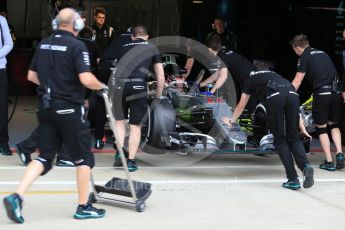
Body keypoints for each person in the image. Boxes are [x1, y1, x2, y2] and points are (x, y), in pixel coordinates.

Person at [3, 8, 107, 223]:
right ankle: (83, 206)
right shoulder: (78, 46)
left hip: (46, 108)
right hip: (69, 109)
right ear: (76, 25)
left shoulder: (44, 43)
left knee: (44, 157)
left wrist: (52, 86)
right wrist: (102, 87)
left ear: (55, 24)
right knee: (84, 158)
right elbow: (87, 79)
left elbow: (31, 76)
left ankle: (17, 196)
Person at [222, 62, 314, 190]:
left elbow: (241, 105)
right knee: (294, 138)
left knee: (280, 139)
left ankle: (293, 179)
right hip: (293, 95)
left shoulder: (251, 78)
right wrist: (301, 126)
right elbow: (291, 98)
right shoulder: (277, 76)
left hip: (275, 96)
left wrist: (231, 121)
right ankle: (305, 166)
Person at [112, 24, 165, 171]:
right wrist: (159, 96)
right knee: (135, 126)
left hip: (120, 86)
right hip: (138, 86)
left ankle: (119, 152)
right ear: (147, 37)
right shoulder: (151, 47)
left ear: (132, 37)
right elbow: (160, 76)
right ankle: (130, 162)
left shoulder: (123, 47)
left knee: (119, 122)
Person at [290, 34, 344, 171]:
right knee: (334, 124)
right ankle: (340, 154)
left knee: (321, 128)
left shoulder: (304, 57)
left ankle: (330, 162)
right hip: (336, 93)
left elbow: (297, 81)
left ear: (297, 47)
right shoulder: (322, 53)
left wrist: (288, 93)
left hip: (322, 94)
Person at [93, 27, 132, 149]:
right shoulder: (134, 41)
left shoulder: (117, 39)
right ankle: (117, 140)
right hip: (117, 68)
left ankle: (98, 140)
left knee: (101, 104)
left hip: (104, 68)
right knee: (120, 104)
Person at [200, 34, 255, 108]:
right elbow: (216, 75)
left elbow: (223, 76)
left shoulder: (222, 57)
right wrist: (200, 85)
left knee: (250, 110)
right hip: (252, 78)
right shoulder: (224, 53)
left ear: (209, 49)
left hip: (251, 80)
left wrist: (210, 93)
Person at [0, 14, 13, 156]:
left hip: (0, 69)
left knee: (2, 109)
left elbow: (9, 43)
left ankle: (3, 143)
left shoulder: (1, 20)